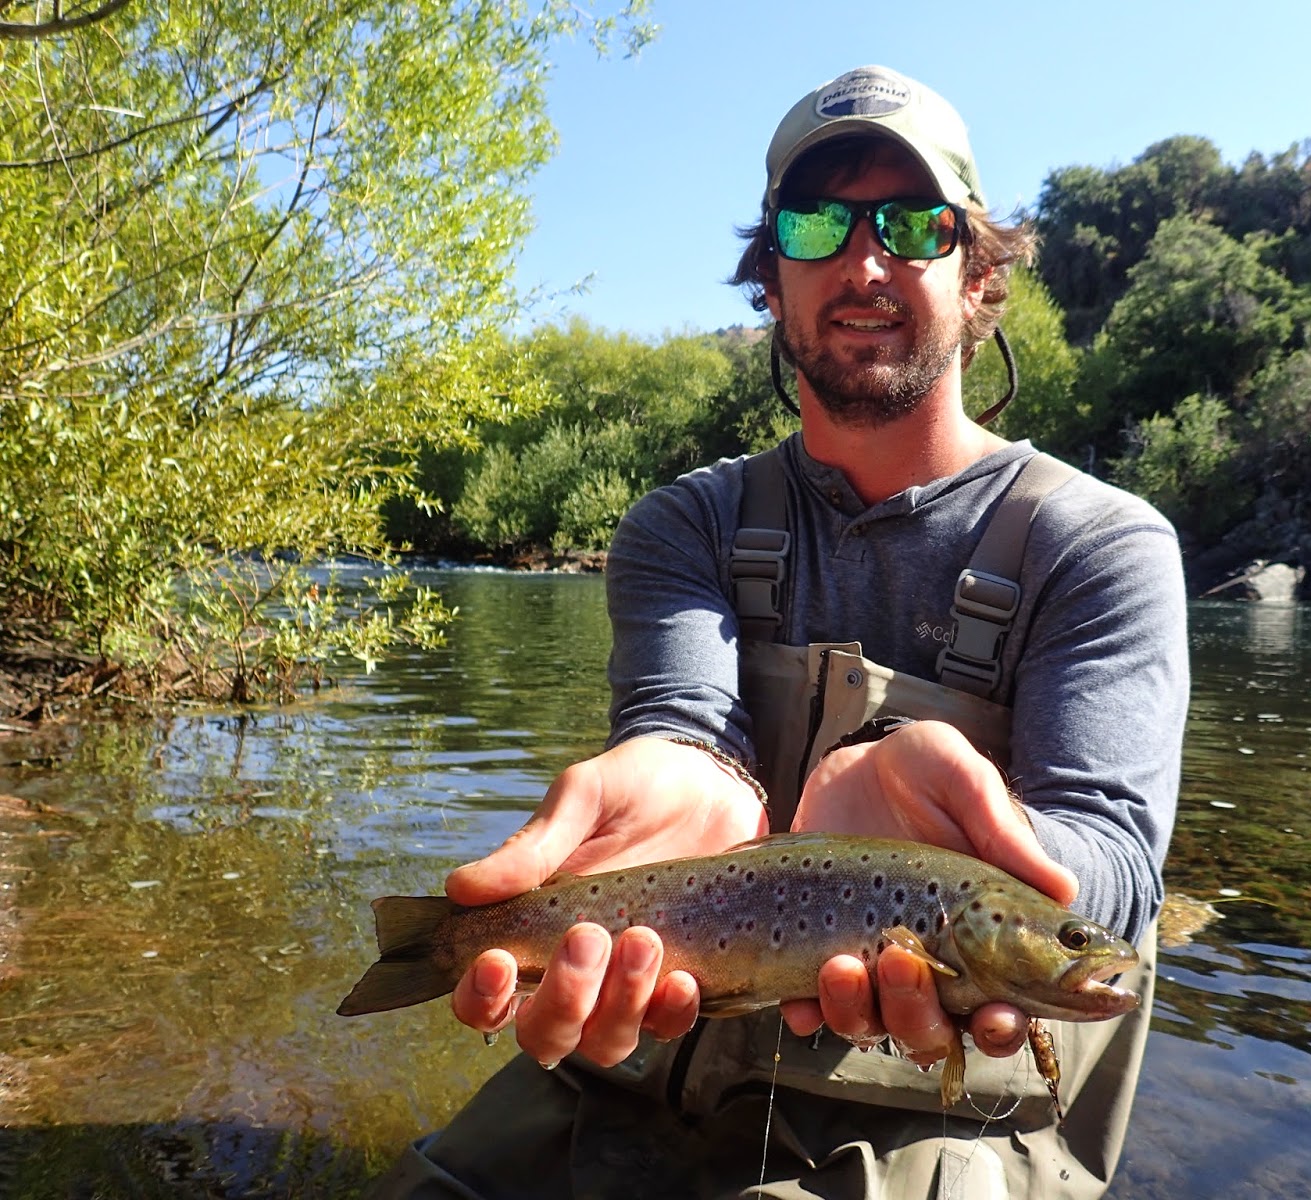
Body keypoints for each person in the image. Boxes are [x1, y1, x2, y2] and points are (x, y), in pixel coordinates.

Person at [370, 64, 1188, 1199]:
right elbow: (679, 728)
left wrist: (995, 853)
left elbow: (1118, 871)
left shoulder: (1100, 545)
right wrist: (667, 777)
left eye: (914, 223)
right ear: (771, 277)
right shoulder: (684, 523)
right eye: (816, 224)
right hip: (670, 1046)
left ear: (980, 271)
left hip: (952, 1115)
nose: (863, 262)